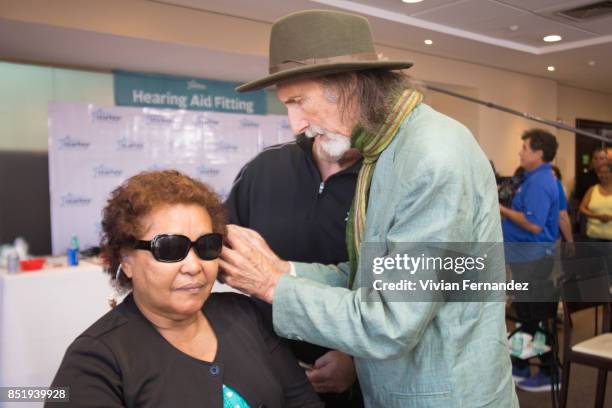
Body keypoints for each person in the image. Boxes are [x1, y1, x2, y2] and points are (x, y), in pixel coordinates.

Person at [220, 10, 518, 407]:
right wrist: (282, 268)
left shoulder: (432, 156)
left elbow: (390, 321)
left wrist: (273, 286)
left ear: (349, 85)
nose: (295, 124)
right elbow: (372, 272)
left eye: (299, 102)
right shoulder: (385, 149)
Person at [46, 170, 322, 408]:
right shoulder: (95, 360)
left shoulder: (245, 315)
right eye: (169, 249)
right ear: (126, 259)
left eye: (206, 246)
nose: (194, 266)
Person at [225, 132, 364, 407]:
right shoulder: (265, 168)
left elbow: (398, 293)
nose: (300, 122)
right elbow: (218, 245)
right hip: (266, 370)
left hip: (354, 386)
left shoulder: (387, 177)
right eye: (291, 103)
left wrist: (360, 363)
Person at [500, 129, 560, 392]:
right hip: (527, 258)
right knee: (527, 316)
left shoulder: (540, 181)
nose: (520, 152)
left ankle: (549, 372)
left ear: (538, 153)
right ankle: (521, 365)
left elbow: (533, 225)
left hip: (533, 260)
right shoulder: (534, 178)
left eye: (524, 148)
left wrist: (500, 208)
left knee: (532, 318)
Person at [579, 162, 612, 241]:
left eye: (606, 172)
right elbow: (582, 208)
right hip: (593, 237)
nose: (603, 175)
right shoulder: (592, 190)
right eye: (600, 172)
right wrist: (597, 216)